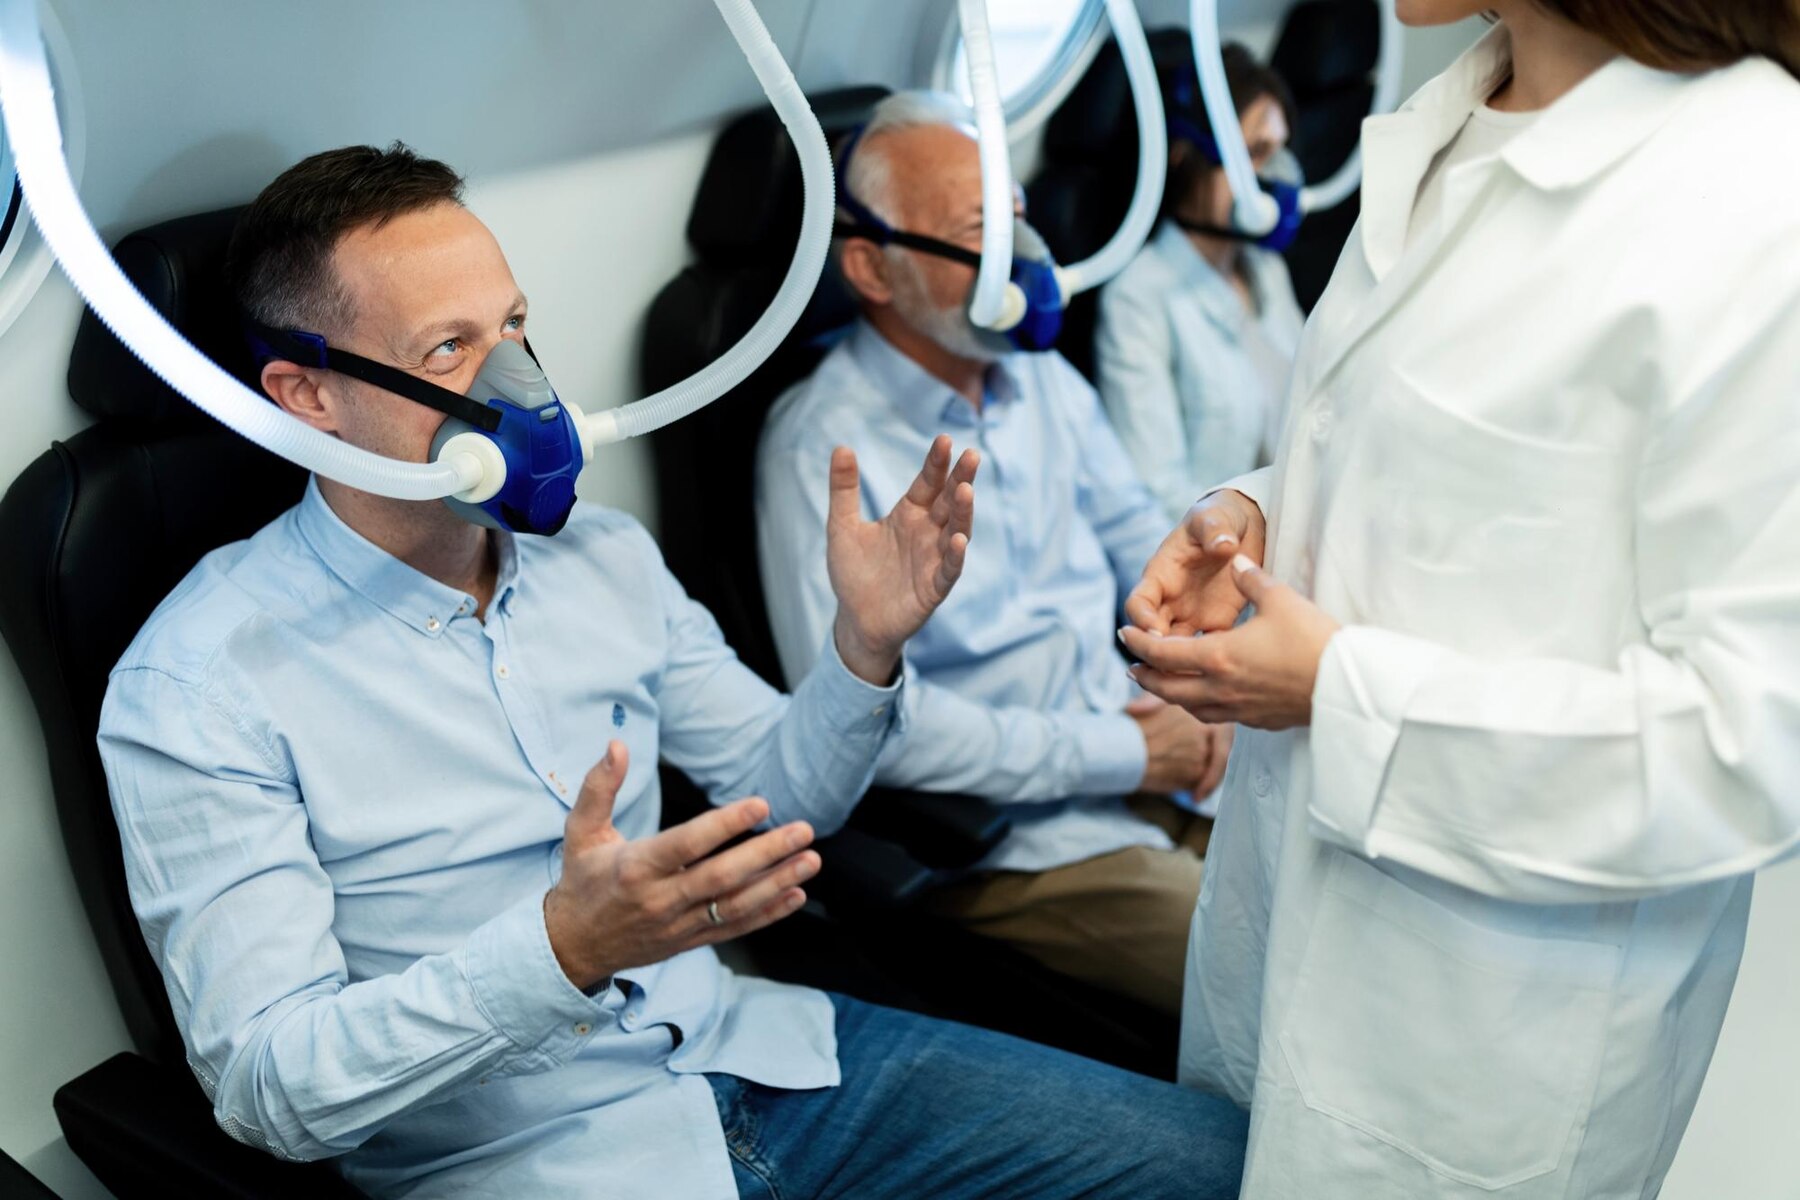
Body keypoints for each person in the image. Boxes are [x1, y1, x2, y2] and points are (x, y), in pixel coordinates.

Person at [97, 143, 1250, 1199]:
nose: (521, 384)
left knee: (1234, 1168)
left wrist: (863, 652)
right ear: (308, 397)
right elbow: (269, 1089)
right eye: (449, 348)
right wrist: (563, 951)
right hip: (533, 1160)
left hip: (757, 1052)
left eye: (514, 326)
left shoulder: (602, 555)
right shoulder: (201, 681)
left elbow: (779, 794)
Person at [1119, 2, 1800, 1195]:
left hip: (1478, 1061)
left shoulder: (1758, 198)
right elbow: (1500, 488)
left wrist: (1342, 690)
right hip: (1281, 953)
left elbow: (1754, 746)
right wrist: (1272, 510)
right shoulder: (1454, 123)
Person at [757, 91, 1231, 1018]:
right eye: (984, 228)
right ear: (873, 268)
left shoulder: (1043, 379)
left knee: (1355, 903)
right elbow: (858, 724)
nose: (1025, 251)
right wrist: (1123, 756)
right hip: (1013, 842)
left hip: (1161, 750)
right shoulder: (824, 449)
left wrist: (1206, 676)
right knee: (1272, 982)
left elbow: (1140, 536)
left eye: (1017, 216)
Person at [1094, 44, 1306, 522]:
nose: (1275, 177)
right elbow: (1160, 489)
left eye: (1279, 153)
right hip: (1224, 557)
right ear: (1185, 155)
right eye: (1255, 153)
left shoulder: (1267, 271)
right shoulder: (1139, 296)